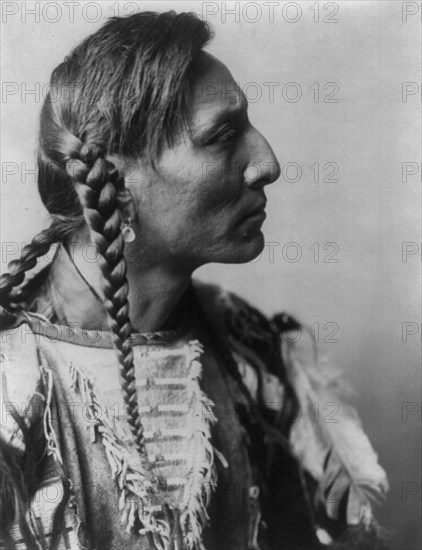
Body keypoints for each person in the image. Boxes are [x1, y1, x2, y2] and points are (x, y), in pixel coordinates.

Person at [0, 11, 388, 550]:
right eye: (222, 136)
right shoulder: (13, 387)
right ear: (117, 181)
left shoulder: (253, 354)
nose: (266, 163)